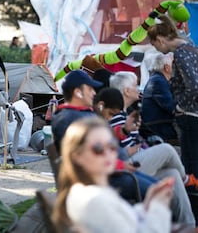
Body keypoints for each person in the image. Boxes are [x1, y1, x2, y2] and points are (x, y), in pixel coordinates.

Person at [94, 87, 196, 227]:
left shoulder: (112, 120)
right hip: (123, 173)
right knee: (167, 149)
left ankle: (189, 225)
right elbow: (108, 156)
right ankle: (187, 179)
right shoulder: (102, 122)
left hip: (125, 166)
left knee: (172, 174)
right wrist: (128, 152)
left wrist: (127, 134)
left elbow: (114, 142)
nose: (138, 88)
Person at [51, 116, 173, 232]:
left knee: (172, 172)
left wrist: (147, 205)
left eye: (112, 146)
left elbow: (121, 221)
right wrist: (158, 208)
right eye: (98, 149)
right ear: (77, 155)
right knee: (167, 152)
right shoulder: (94, 200)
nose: (107, 153)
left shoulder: (88, 191)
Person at [51, 70, 154, 202]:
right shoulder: (69, 119)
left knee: (169, 179)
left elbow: (98, 142)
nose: (94, 93)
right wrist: (120, 165)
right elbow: (86, 155)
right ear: (78, 92)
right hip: (107, 178)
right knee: (163, 185)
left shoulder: (80, 114)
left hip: (116, 172)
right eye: (90, 89)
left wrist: (124, 131)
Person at [148, 14, 198, 191]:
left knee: (191, 165)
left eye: (154, 45)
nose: (156, 49)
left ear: (160, 39)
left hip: (189, 116)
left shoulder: (181, 53)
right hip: (194, 114)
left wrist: (180, 106)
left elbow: (194, 85)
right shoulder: (191, 47)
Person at [141, 53, 178, 144]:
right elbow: (172, 107)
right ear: (167, 67)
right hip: (162, 128)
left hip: (162, 126)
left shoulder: (159, 79)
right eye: (174, 63)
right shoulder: (158, 81)